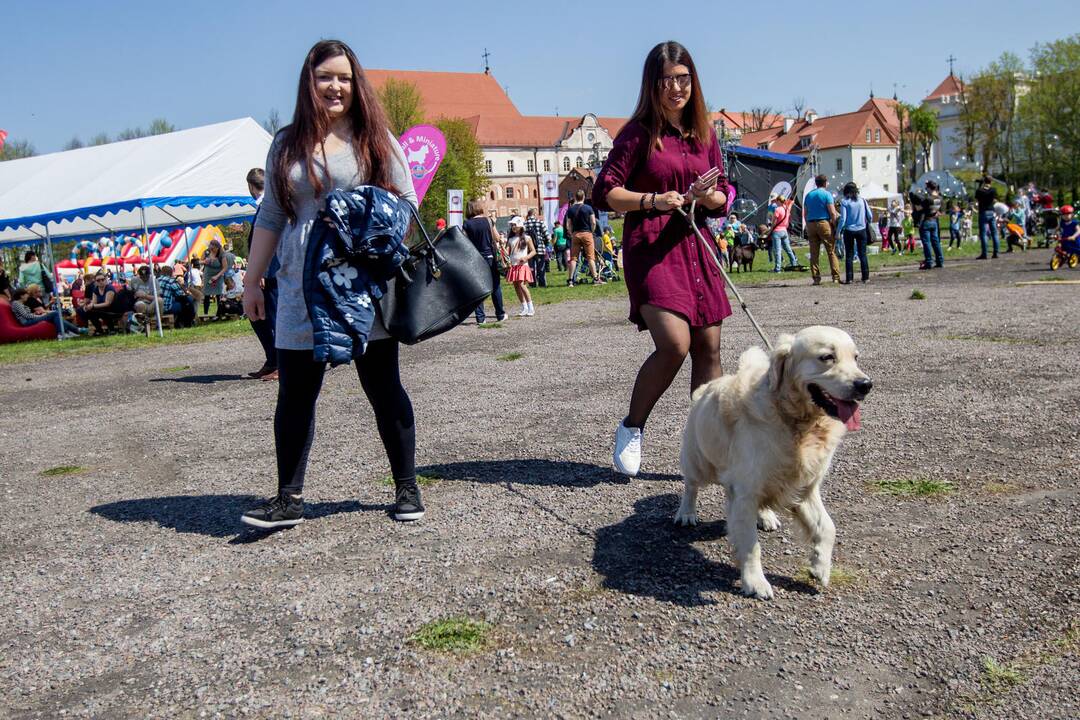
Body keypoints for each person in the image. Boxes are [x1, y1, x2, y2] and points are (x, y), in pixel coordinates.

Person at [240, 39, 423, 528]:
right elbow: (273, 214)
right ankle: (288, 499)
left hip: (362, 285)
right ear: (309, 83)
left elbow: (407, 201)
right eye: (325, 78)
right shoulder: (286, 142)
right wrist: (252, 280)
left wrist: (365, 226)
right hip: (299, 287)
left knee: (383, 387)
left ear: (355, 82)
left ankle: (406, 487)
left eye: (343, 77)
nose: (335, 86)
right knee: (296, 392)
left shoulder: (376, 137)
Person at [592, 40, 731, 477]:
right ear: (652, 85)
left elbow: (725, 194)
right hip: (651, 248)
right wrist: (652, 200)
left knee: (709, 348)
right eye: (668, 80)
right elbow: (604, 192)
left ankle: (704, 450)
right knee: (674, 344)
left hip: (694, 246)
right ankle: (632, 426)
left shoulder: (704, 133)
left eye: (683, 79)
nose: (676, 88)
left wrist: (709, 196)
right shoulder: (637, 134)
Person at [244, 167, 280, 380]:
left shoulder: (269, 205)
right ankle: (272, 359)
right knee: (257, 317)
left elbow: (273, 240)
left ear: (250, 186)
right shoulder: (266, 204)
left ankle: (281, 365)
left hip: (272, 273)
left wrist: (263, 272)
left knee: (273, 319)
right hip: (267, 272)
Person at [463, 200, 507, 325]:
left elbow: (464, 241)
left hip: (475, 259)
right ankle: (500, 314)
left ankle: (481, 318)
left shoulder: (466, 224)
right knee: (496, 286)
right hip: (490, 257)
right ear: (479, 208)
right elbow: (497, 238)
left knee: (478, 288)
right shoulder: (488, 221)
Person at [804, 175, 840, 284]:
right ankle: (835, 277)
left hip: (811, 223)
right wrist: (834, 224)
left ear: (816, 183)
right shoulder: (827, 194)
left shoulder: (809, 195)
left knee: (814, 253)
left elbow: (805, 213)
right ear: (825, 183)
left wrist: (808, 224)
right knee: (831, 251)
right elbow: (832, 213)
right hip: (824, 223)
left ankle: (816, 278)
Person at [564, 190, 604, 286]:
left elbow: (567, 224)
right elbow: (593, 222)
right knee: (591, 257)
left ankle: (570, 280)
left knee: (574, 258)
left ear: (576, 197)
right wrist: (592, 231)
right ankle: (595, 278)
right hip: (587, 233)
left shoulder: (571, 209)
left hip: (576, 234)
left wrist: (571, 232)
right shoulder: (588, 208)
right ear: (584, 197)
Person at [9, 288, 85, 337]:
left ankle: (69, 331)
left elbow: (27, 315)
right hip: (27, 322)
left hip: (30, 320)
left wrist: (37, 314)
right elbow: (26, 316)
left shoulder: (19, 303)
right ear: (21, 296)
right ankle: (64, 333)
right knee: (55, 313)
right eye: (26, 295)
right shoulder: (16, 303)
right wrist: (40, 316)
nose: (27, 296)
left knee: (55, 317)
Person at [836, 182, 872, 284]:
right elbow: (869, 215)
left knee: (849, 255)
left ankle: (849, 278)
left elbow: (843, 219)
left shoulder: (844, 202)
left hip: (849, 230)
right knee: (862, 254)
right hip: (862, 229)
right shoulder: (862, 200)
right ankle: (865, 277)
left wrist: (838, 232)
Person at [505, 216, 537, 316]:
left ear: (520, 226)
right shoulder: (510, 239)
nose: (513, 227)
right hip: (513, 266)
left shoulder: (527, 238)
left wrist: (526, 258)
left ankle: (531, 307)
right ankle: (524, 307)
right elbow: (507, 251)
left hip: (522, 265)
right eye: (512, 225)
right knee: (516, 286)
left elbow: (533, 251)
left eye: (515, 225)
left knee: (522, 285)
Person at [912, 179, 944, 269]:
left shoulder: (928, 199)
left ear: (930, 188)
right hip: (934, 221)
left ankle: (929, 262)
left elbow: (919, 209)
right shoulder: (939, 198)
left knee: (926, 243)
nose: (926, 189)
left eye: (927, 187)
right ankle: (940, 261)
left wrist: (914, 204)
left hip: (926, 221)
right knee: (936, 242)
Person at [201, 239, 231, 315]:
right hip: (208, 275)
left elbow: (225, 267)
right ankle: (205, 314)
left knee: (218, 294)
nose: (212, 250)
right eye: (211, 248)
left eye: (213, 248)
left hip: (218, 275)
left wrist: (217, 276)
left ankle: (219, 313)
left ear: (217, 247)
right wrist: (204, 261)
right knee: (207, 294)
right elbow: (199, 261)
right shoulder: (206, 252)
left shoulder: (222, 254)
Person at [768, 195, 798, 272]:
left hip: (777, 231)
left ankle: (777, 268)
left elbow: (774, 222)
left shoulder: (777, 209)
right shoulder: (787, 209)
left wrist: (770, 230)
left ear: (778, 201)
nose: (775, 203)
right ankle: (794, 264)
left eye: (776, 201)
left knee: (777, 250)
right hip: (784, 231)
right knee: (788, 249)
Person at [523, 208, 549, 288]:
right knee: (541, 266)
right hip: (540, 248)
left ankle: (532, 283)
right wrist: (545, 243)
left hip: (529, 250)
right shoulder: (540, 222)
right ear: (534, 214)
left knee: (531, 267)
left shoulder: (524, 224)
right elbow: (547, 236)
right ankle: (542, 283)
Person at [975, 175, 999, 259]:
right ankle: (996, 252)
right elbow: (995, 200)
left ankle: (984, 253)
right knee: (994, 232)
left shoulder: (979, 190)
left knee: (984, 233)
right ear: (991, 182)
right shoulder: (993, 190)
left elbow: (977, 200)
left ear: (984, 181)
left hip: (983, 211)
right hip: (991, 211)